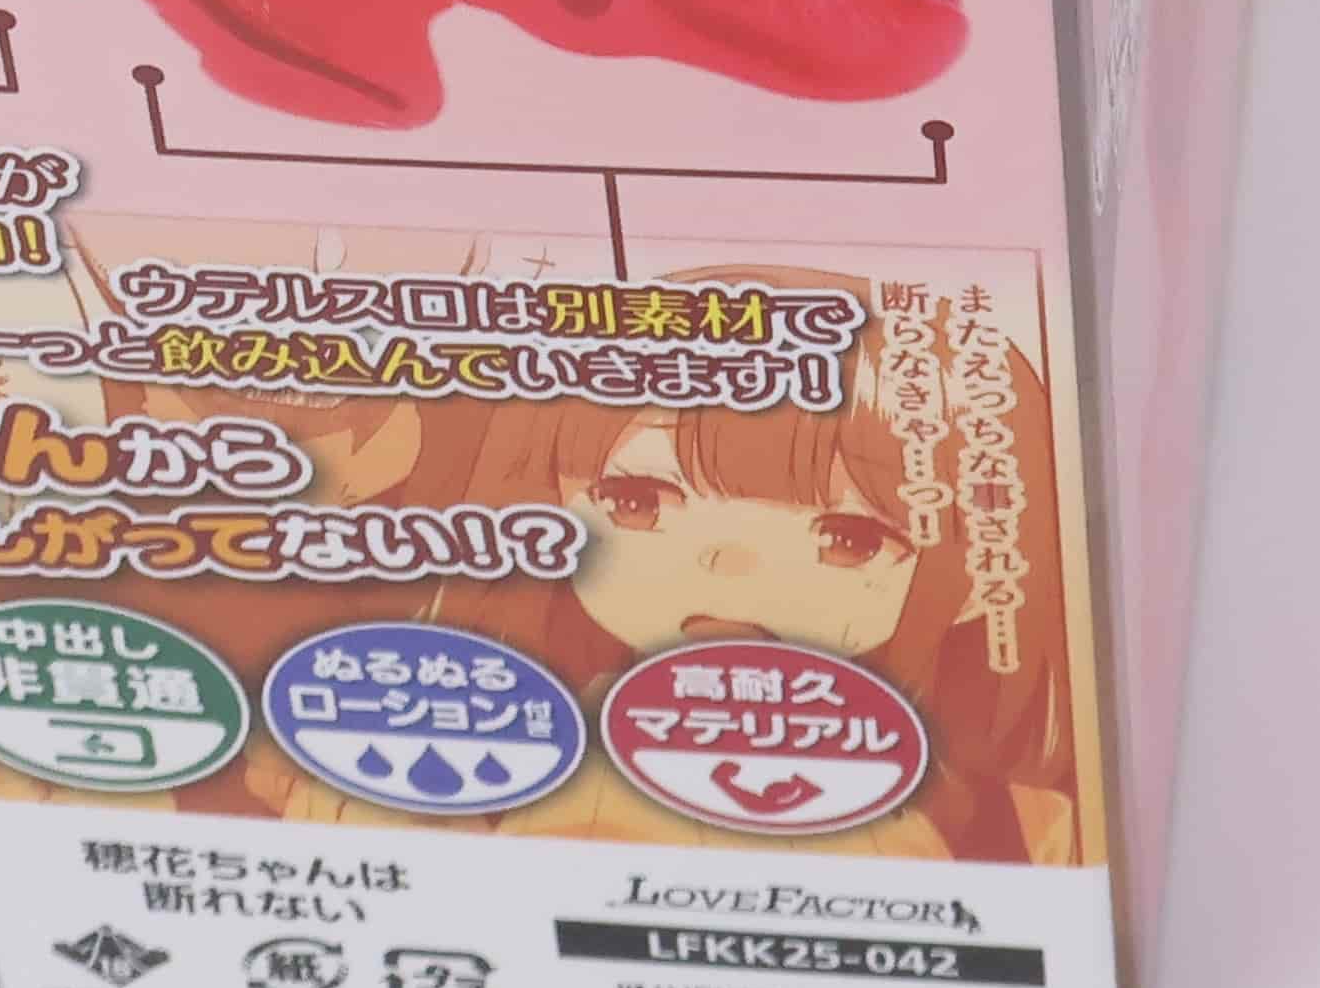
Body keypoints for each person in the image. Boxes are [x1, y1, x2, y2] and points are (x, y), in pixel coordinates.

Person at [243, 278, 1079, 866]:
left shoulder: (1026, 828)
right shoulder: (463, 751)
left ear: (980, 573)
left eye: (849, 538)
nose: (727, 563)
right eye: (637, 501)